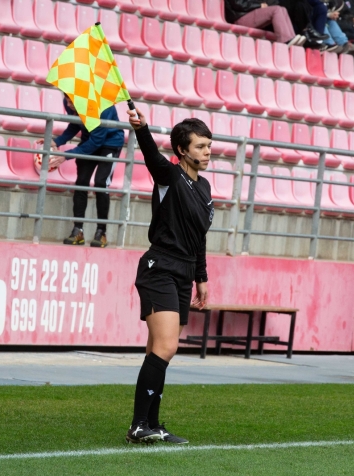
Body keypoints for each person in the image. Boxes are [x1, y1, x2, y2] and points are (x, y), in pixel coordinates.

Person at [123, 107, 213, 445]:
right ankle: (137, 426)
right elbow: (150, 157)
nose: (207, 151)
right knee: (166, 346)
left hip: (184, 273)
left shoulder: (203, 188)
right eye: (201, 146)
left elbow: (199, 237)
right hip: (159, 267)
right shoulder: (170, 176)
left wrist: (201, 278)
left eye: (208, 145)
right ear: (182, 150)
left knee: (158, 351)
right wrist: (142, 128)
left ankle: (151, 424)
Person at [40, 95, 124, 248]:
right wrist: (57, 141)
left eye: (73, 101)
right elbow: (76, 124)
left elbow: (97, 141)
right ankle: (78, 230)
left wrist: (66, 155)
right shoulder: (68, 102)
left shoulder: (102, 107)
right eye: (67, 100)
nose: (70, 105)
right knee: (81, 183)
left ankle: (101, 232)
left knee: (101, 183)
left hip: (109, 142)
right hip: (89, 140)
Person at [224, 0, 303, 44]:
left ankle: (292, 38)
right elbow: (238, 4)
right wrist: (259, 5)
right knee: (277, 10)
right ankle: (284, 41)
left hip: (248, 14)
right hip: (240, 18)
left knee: (282, 9)